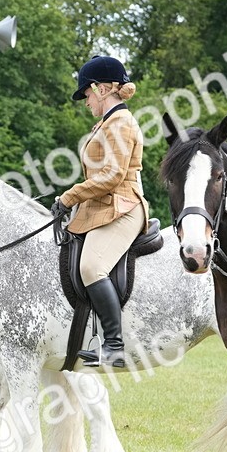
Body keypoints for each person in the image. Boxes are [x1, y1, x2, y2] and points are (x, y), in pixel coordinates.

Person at [55, 56, 148, 368]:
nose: (86, 102)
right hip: (102, 206)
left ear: (103, 89)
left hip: (123, 205)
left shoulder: (121, 123)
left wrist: (70, 197)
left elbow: (113, 176)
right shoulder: (107, 123)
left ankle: (114, 345)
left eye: (87, 94)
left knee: (92, 267)